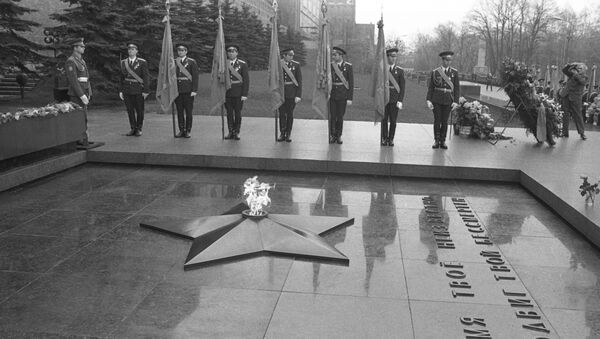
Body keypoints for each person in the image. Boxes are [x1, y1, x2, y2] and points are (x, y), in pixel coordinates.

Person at [426, 51, 460, 149]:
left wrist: (456, 101)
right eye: (447, 60)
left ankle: (443, 140)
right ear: (443, 60)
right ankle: (436, 140)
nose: (448, 62)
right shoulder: (435, 72)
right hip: (436, 100)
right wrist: (428, 100)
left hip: (448, 100)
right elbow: (431, 88)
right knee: (437, 120)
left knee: (444, 121)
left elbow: (457, 88)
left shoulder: (454, 72)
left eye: (450, 60)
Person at [65, 37, 92, 146]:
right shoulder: (71, 61)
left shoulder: (81, 61)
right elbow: (73, 81)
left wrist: (88, 92)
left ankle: (83, 138)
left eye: (83, 46)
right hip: (76, 95)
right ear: (75, 48)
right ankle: (78, 139)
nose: (83, 48)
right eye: (81, 46)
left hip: (84, 92)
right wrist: (81, 95)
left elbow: (87, 78)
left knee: (83, 117)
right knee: (78, 117)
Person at [119, 42, 150, 137]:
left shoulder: (142, 62)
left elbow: (146, 77)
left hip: (138, 89)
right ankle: (133, 128)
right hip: (127, 89)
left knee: (139, 110)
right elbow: (121, 77)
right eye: (129, 49)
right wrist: (121, 90)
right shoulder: (123, 62)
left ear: (136, 51)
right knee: (130, 110)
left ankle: (139, 128)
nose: (130, 51)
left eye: (133, 49)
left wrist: (146, 90)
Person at [329, 46, 354, 144]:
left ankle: (338, 135)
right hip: (332, 95)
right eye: (333, 55)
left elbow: (351, 83)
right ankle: (332, 135)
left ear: (340, 55)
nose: (333, 56)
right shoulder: (330, 66)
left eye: (335, 55)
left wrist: (350, 98)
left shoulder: (348, 66)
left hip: (343, 96)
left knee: (340, 117)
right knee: (332, 116)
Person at [381, 47, 405, 146]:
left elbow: (402, 87)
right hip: (384, 99)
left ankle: (391, 138)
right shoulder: (382, 69)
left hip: (395, 99)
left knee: (393, 121)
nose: (393, 58)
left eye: (395, 56)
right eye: (391, 56)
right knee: (384, 120)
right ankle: (384, 138)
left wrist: (400, 100)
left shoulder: (400, 71)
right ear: (387, 57)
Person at [174, 43, 199, 138]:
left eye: (182, 50)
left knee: (188, 112)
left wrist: (194, 89)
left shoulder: (191, 62)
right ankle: (181, 129)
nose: (180, 52)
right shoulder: (174, 62)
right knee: (179, 111)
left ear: (186, 51)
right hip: (177, 90)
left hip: (188, 90)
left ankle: (188, 130)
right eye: (179, 50)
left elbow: (195, 77)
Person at [224, 44, 249, 140]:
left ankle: (237, 131)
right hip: (227, 93)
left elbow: (246, 80)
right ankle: (230, 131)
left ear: (237, 53)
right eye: (229, 51)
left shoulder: (242, 64)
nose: (231, 53)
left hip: (238, 93)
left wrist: (244, 94)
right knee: (229, 113)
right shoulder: (224, 64)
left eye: (233, 51)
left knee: (237, 113)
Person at [277, 47, 302, 142]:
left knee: (290, 114)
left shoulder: (296, 65)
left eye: (292, 55)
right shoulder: (278, 64)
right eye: (290, 55)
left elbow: (299, 81)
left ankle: (288, 133)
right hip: (281, 93)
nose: (292, 57)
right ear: (284, 55)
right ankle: (282, 133)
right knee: (282, 114)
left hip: (292, 93)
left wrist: (298, 95)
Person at [562, 62, 588, 139]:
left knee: (577, 115)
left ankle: (582, 133)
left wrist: (575, 72)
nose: (578, 69)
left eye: (580, 68)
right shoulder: (572, 74)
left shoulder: (584, 77)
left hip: (575, 98)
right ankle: (565, 132)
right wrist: (570, 65)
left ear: (584, 70)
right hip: (566, 96)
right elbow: (564, 70)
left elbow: (581, 81)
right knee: (565, 115)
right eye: (578, 68)